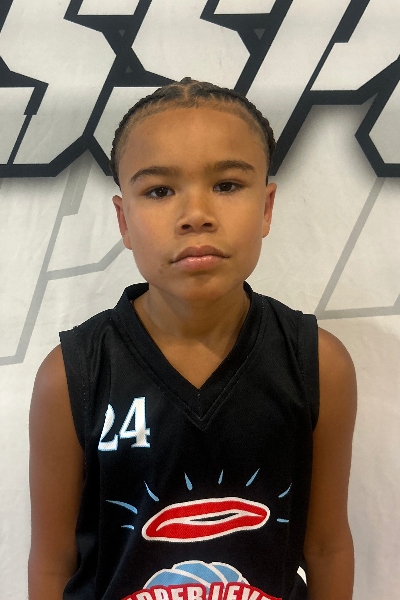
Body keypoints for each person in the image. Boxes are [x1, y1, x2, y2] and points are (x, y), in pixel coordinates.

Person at [28, 77, 357, 600]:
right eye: (159, 191)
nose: (196, 215)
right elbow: (52, 563)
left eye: (226, 185)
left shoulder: (319, 363)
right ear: (124, 220)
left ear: (266, 207)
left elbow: (326, 548)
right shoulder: (72, 375)